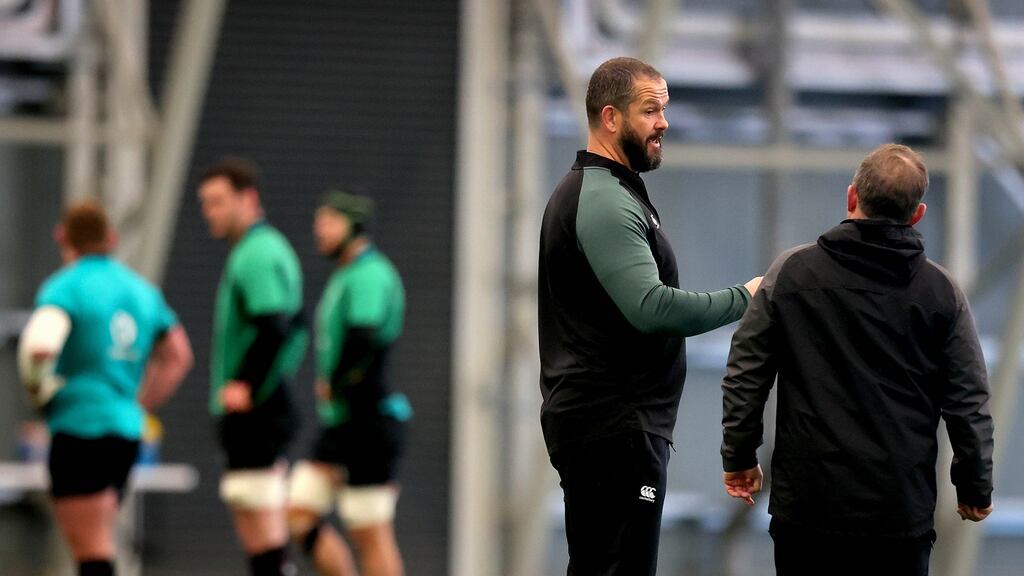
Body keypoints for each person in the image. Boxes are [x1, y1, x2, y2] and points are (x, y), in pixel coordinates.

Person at [720, 143, 995, 576]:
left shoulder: (792, 273)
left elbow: (746, 371)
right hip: (899, 514)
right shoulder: (941, 293)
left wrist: (738, 456)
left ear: (852, 197)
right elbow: (967, 400)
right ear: (917, 214)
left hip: (807, 509)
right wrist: (974, 487)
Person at [538, 56, 761, 575]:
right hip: (614, 429)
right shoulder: (603, 201)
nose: (663, 122)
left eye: (664, 109)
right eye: (650, 110)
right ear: (610, 118)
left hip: (612, 427)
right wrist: (747, 296)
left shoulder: (611, 193)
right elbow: (651, 307)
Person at [17, 200, 193, 576]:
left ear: (62, 237)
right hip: (125, 432)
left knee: (91, 547)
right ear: (110, 238)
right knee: (100, 538)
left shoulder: (65, 287)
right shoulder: (142, 290)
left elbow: (39, 347)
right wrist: (140, 405)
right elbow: (178, 356)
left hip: (80, 427)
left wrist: (38, 392)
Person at [287, 191, 411, 576]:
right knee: (298, 512)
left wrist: (335, 380)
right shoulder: (346, 273)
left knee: (370, 531)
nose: (318, 231)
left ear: (353, 226)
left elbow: (364, 335)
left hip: (369, 419)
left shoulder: (370, 274)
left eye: (327, 222)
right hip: (342, 420)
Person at [197, 158, 308, 576]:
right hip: (257, 404)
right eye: (205, 204)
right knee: (254, 522)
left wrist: (245, 383)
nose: (211, 212)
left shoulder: (258, 253)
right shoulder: (252, 250)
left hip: (258, 407)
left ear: (249, 199)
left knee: (264, 524)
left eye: (219, 202)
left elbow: (276, 324)